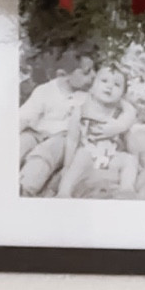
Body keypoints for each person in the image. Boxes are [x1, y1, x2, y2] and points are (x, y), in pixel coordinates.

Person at [18, 51, 95, 196]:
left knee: (45, 154)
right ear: (63, 75)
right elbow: (24, 117)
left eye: (93, 70)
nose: (93, 75)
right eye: (87, 72)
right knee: (22, 142)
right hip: (36, 133)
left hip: (63, 138)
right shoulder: (45, 90)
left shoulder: (87, 96)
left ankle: (26, 186)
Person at [56, 64, 139, 199]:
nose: (109, 86)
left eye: (117, 85)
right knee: (81, 156)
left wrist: (135, 157)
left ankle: (126, 188)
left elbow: (130, 138)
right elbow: (72, 139)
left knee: (129, 160)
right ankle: (64, 191)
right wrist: (67, 165)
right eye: (104, 81)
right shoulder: (81, 110)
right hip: (89, 155)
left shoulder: (120, 115)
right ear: (92, 87)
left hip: (111, 156)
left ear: (123, 94)